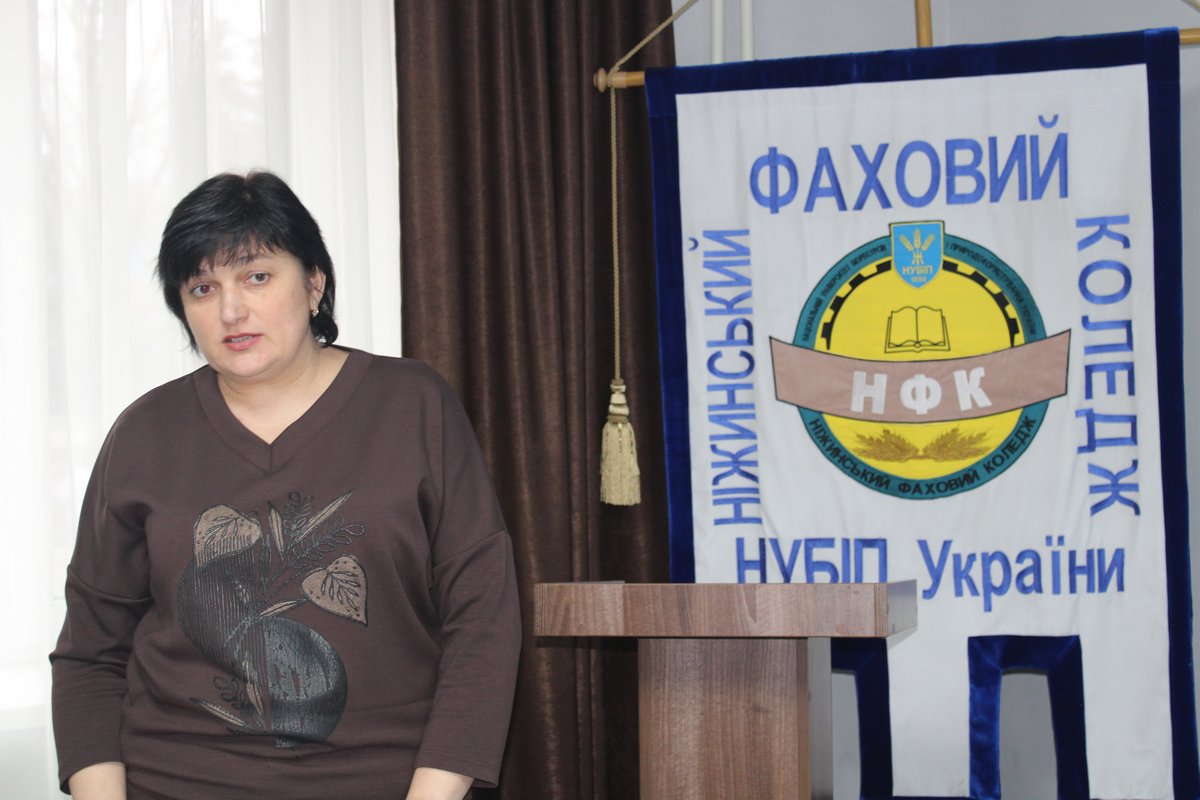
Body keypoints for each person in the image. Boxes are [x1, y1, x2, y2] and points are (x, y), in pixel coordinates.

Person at [50, 171, 521, 800]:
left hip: (388, 782)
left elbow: (483, 625)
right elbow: (90, 652)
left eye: (257, 276)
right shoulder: (144, 433)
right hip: (173, 781)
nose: (231, 310)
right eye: (202, 287)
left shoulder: (412, 405)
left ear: (314, 283)